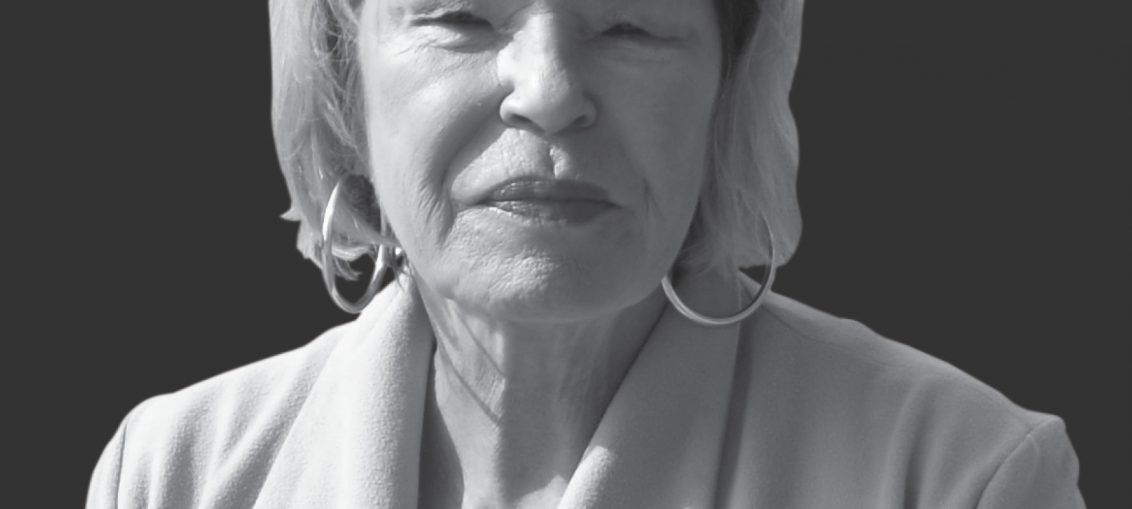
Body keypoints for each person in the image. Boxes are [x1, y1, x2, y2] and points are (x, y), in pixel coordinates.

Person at [87, 0, 1086, 507]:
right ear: (344, 75)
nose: (549, 90)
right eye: (460, 15)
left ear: (730, 83)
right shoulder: (178, 472)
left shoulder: (953, 474)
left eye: (628, 22)